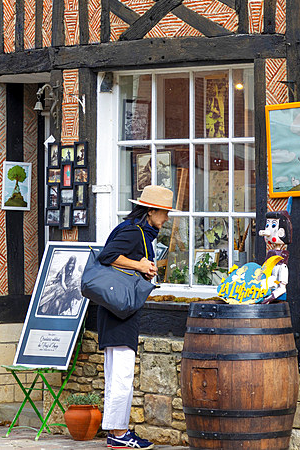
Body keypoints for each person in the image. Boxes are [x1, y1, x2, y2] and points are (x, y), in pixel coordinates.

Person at [97, 184, 172, 450]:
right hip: (120, 311)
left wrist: (145, 269)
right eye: (163, 213)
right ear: (150, 211)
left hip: (118, 309)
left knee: (118, 373)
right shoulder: (132, 231)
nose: (165, 219)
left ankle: (117, 431)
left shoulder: (136, 230)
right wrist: (140, 264)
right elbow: (106, 256)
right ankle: (118, 434)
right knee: (122, 375)